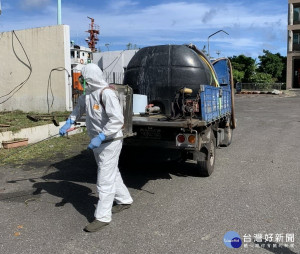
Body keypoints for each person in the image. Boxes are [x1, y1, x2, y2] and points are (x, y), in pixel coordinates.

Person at [59, 63, 133, 232]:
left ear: (91, 78)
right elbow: (78, 110)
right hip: (97, 142)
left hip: (110, 142)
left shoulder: (106, 94)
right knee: (111, 172)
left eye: (84, 79)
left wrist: (101, 136)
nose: (82, 82)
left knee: (104, 180)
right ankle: (125, 199)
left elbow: (117, 120)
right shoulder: (87, 95)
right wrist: (69, 122)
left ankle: (103, 217)